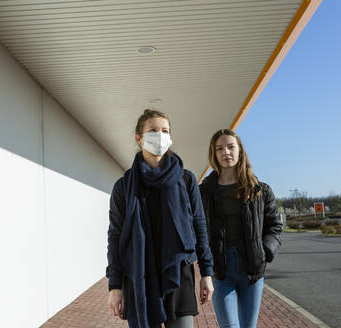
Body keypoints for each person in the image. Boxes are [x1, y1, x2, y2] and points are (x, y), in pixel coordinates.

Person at [106, 109, 214, 328]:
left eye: (165, 130)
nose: (160, 135)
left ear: (171, 137)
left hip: (178, 273)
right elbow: (115, 237)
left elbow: (199, 227)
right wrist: (114, 286)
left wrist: (206, 273)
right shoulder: (124, 187)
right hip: (140, 277)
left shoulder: (186, 179)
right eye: (153, 130)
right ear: (139, 138)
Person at [199, 129, 282, 328]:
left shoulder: (260, 190)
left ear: (240, 151)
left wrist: (265, 251)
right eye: (219, 148)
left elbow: (275, 226)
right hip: (221, 269)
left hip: (251, 268)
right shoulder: (204, 191)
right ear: (214, 153)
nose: (226, 152)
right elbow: (197, 229)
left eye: (230, 147)